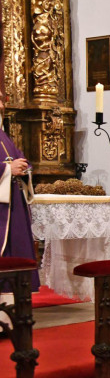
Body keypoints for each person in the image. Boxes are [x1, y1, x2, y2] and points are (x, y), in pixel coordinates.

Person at [0, 91, 40, 291]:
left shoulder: (3, 136)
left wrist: (24, 169)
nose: (1, 105)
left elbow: (20, 159)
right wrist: (8, 169)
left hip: (13, 204)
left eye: (2, 100)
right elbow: (9, 164)